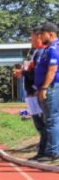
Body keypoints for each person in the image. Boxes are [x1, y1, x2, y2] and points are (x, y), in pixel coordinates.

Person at [15, 27, 47, 160]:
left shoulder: (41, 53)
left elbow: (37, 74)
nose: (31, 40)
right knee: (39, 123)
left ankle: (45, 151)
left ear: (39, 37)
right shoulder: (37, 53)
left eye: (32, 37)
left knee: (42, 123)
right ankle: (43, 150)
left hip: (36, 93)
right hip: (33, 93)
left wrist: (23, 74)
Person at [34, 22, 59, 163]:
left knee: (51, 120)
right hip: (48, 87)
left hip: (51, 88)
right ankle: (51, 150)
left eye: (42, 33)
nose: (40, 36)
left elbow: (52, 69)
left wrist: (44, 88)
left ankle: (53, 152)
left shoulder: (53, 49)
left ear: (50, 33)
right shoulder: (48, 49)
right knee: (49, 120)